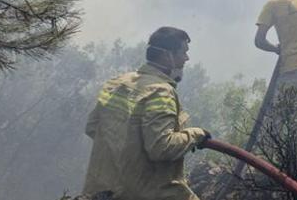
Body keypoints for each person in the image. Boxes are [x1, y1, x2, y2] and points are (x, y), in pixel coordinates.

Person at [83, 27, 210, 200]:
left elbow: (92, 127)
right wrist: (196, 134)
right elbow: (162, 148)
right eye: (183, 52)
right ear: (167, 56)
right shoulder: (160, 92)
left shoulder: (117, 83)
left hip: (102, 190)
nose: (186, 58)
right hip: (146, 192)